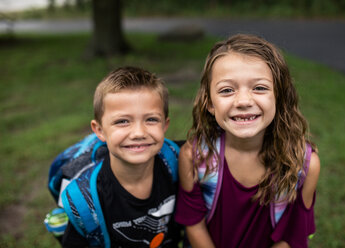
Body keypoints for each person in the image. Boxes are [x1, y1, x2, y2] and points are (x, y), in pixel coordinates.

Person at [175, 34, 320, 248]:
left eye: (259, 88)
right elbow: (194, 225)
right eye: (227, 90)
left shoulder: (304, 164)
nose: (243, 101)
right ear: (209, 103)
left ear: (279, 97)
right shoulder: (195, 156)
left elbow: (293, 237)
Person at [61, 66, 182, 247]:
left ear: (165, 125)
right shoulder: (87, 200)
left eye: (151, 119)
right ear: (99, 131)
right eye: (122, 121)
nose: (138, 133)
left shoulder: (179, 160)